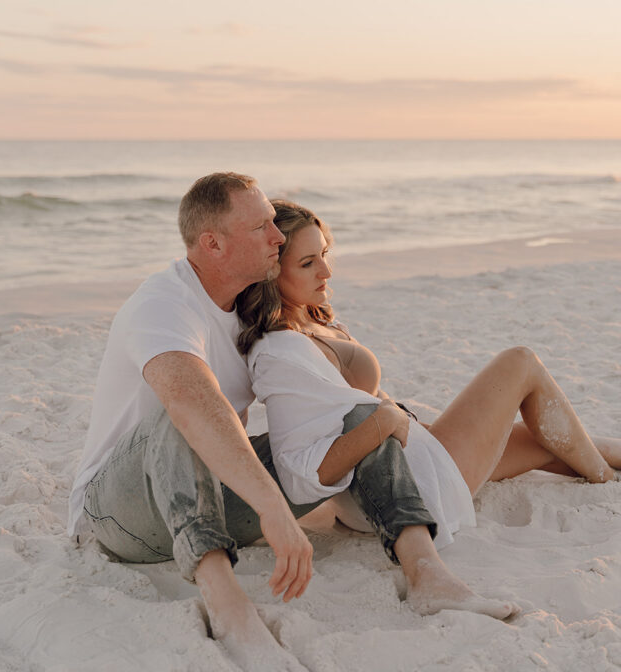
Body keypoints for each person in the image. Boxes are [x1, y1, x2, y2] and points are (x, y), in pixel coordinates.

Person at [68, 173, 497, 672]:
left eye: (275, 224)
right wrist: (273, 507)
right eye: (261, 228)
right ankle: (230, 610)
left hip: (208, 504)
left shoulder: (247, 313)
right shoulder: (164, 304)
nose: (278, 237)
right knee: (179, 417)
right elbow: (190, 402)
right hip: (120, 515)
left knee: (355, 414)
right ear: (213, 244)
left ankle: (427, 574)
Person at [236, 200, 621, 562]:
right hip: (402, 487)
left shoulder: (310, 319)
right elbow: (303, 459)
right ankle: (607, 479)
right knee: (519, 363)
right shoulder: (281, 349)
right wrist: (386, 422)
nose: (325, 269)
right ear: (270, 274)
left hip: (412, 454)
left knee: (542, 439)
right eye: (307, 264)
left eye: (324, 254)